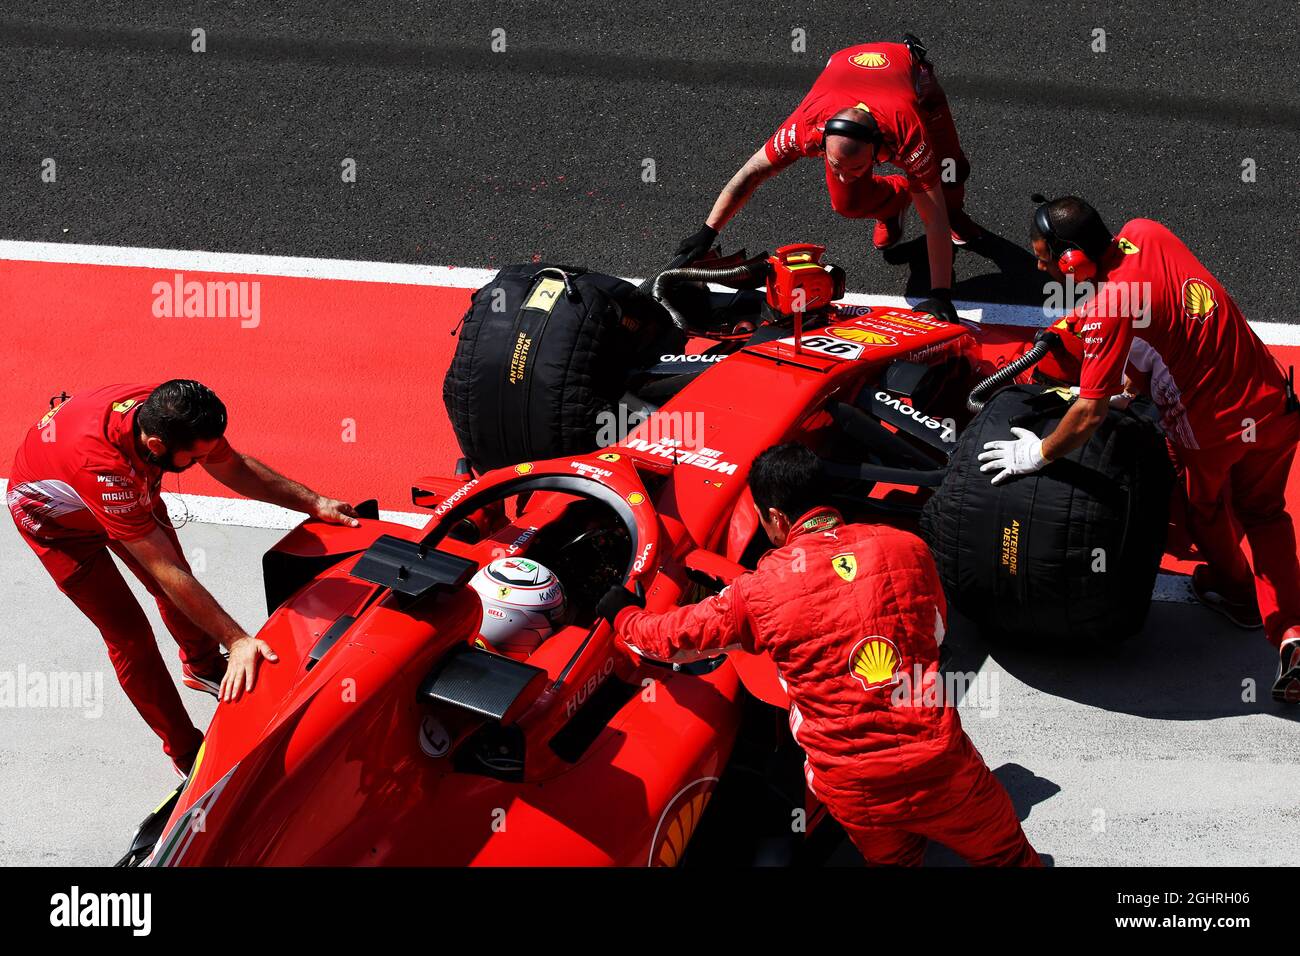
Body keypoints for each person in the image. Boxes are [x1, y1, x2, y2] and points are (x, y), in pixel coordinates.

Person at [596, 442, 1041, 866]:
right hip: (941, 764)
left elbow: (677, 638)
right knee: (1009, 858)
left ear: (774, 517)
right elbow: (937, 631)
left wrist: (623, 616)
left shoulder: (758, 590)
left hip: (854, 787)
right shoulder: (907, 548)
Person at [977, 196, 1300, 704]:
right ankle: (1292, 634)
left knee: (1205, 509)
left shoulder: (1108, 309)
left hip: (1212, 432)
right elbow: (1162, 316)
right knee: (1265, 514)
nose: (1038, 265)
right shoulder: (1148, 231)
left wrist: (1036, 454)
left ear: (1071, 260)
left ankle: (1239, 597)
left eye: (1043, 257)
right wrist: (1133, 374)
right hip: (1274, 402)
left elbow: (1089, 412)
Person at [7, 380, 361, 774]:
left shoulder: (169, 407)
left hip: (113, 482)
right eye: (195, 458)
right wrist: (238, 639)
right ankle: (185, 753)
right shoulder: (106, 472)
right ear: (156, 446)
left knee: (174, 585)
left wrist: (313, 502)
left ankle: (203, 667)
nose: (204, 461)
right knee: (130, 636)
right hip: (56, 524)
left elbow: (232, 466)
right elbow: (166, 569)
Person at [675, 36, 981, 321]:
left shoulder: (907, 132)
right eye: (836, 166)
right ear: (822, 144)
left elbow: (934, 218)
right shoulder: (805, 128)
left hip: (918, 89)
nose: (844, 175)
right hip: (845, 85)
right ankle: (893, 203)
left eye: (855, 168)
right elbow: (751, 173)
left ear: (878, 149)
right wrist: (707, 232)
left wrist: (941, 294)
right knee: (848, 201)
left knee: (948, 173)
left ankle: (954, 209)